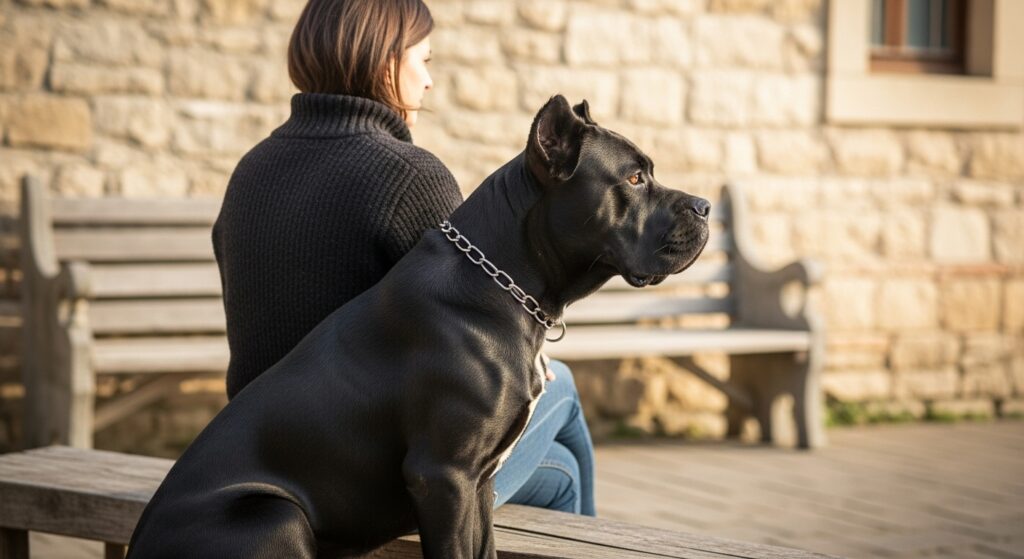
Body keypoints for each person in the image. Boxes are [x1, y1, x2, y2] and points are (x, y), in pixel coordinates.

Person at [212, 0, 595, 516]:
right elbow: (477, 328)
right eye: (425, 61)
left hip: (258, 456)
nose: (429, 83)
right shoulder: (407, 176)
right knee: (562, 389)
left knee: (562, 468)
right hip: (366, 474)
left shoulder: (250, 169)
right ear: (385, 60)